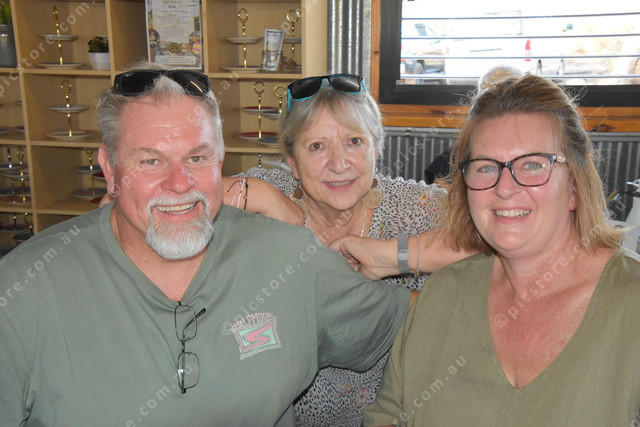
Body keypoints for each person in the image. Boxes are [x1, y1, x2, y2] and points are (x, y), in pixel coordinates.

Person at [0, 65, 415, 426]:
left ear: (220, 161)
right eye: (150, 160)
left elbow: (422, 315)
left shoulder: (290, 256)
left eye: (197, 158)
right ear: (109, 169)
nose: (179, 183)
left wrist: (404, 255)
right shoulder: (23, 290)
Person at [334, 74, 640, 425]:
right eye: (485, 167)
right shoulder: (441, 295)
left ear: (574, 185)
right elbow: (387, 415)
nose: (504, 188)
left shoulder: (630, 306)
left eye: (532, 164)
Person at [221, 74, 469, 426]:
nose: (339, 163)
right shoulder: (268, 192)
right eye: (316, 146)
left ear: (376, 148)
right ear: (292, 161)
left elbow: (505, 239)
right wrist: (260, 195)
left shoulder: (413, 207)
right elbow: (170, 197)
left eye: (354, 141)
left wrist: (389, 255)